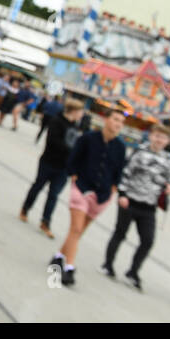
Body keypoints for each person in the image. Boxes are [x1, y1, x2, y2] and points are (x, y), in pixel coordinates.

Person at [51, 111, 127, 287]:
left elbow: (119, 172)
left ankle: (58, 257)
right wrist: (75, 175)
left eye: (121, 122)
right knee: (76, 228)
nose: (118, 124)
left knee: (78, 232)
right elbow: (72, 160)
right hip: (82, 188)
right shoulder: (88, 138)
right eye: (115, 119)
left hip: (102, 195)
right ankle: (69, 268)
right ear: (106, 119)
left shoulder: (120, 147)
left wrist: (113, 189)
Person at [101, 124, 170, 291]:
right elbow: (125, 173)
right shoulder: (139, 152)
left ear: (167, 141)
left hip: (149, 206)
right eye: (156, 136)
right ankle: (108, 264)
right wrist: (123, 195)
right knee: (120, 234)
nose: (159, 140)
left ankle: (133, 272)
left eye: (163, 138)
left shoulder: (168, 159)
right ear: (150, 136)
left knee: (148, 241)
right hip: (130, 201)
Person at [21, 98, 85, 238]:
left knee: (53, 195)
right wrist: (71, 150)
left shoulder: (75, 126)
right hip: (48, 162)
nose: (82, 114)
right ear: (74, 111)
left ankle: (46, 221)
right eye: (81, 111)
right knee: (37, 186)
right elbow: (52, 141)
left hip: (63, 168)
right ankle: (25, 208)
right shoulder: (57, 121)